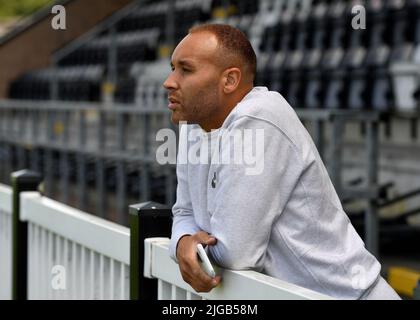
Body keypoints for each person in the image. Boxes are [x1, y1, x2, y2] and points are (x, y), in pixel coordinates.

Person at [163, 23, 400, 299]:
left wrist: (190, 245)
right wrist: (181, 243)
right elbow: (183, 213)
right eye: (172, 68)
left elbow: (235, 251)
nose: (169, 82)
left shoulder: (261, 117)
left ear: (229, 80)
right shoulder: (194, 123)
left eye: (186, 70)